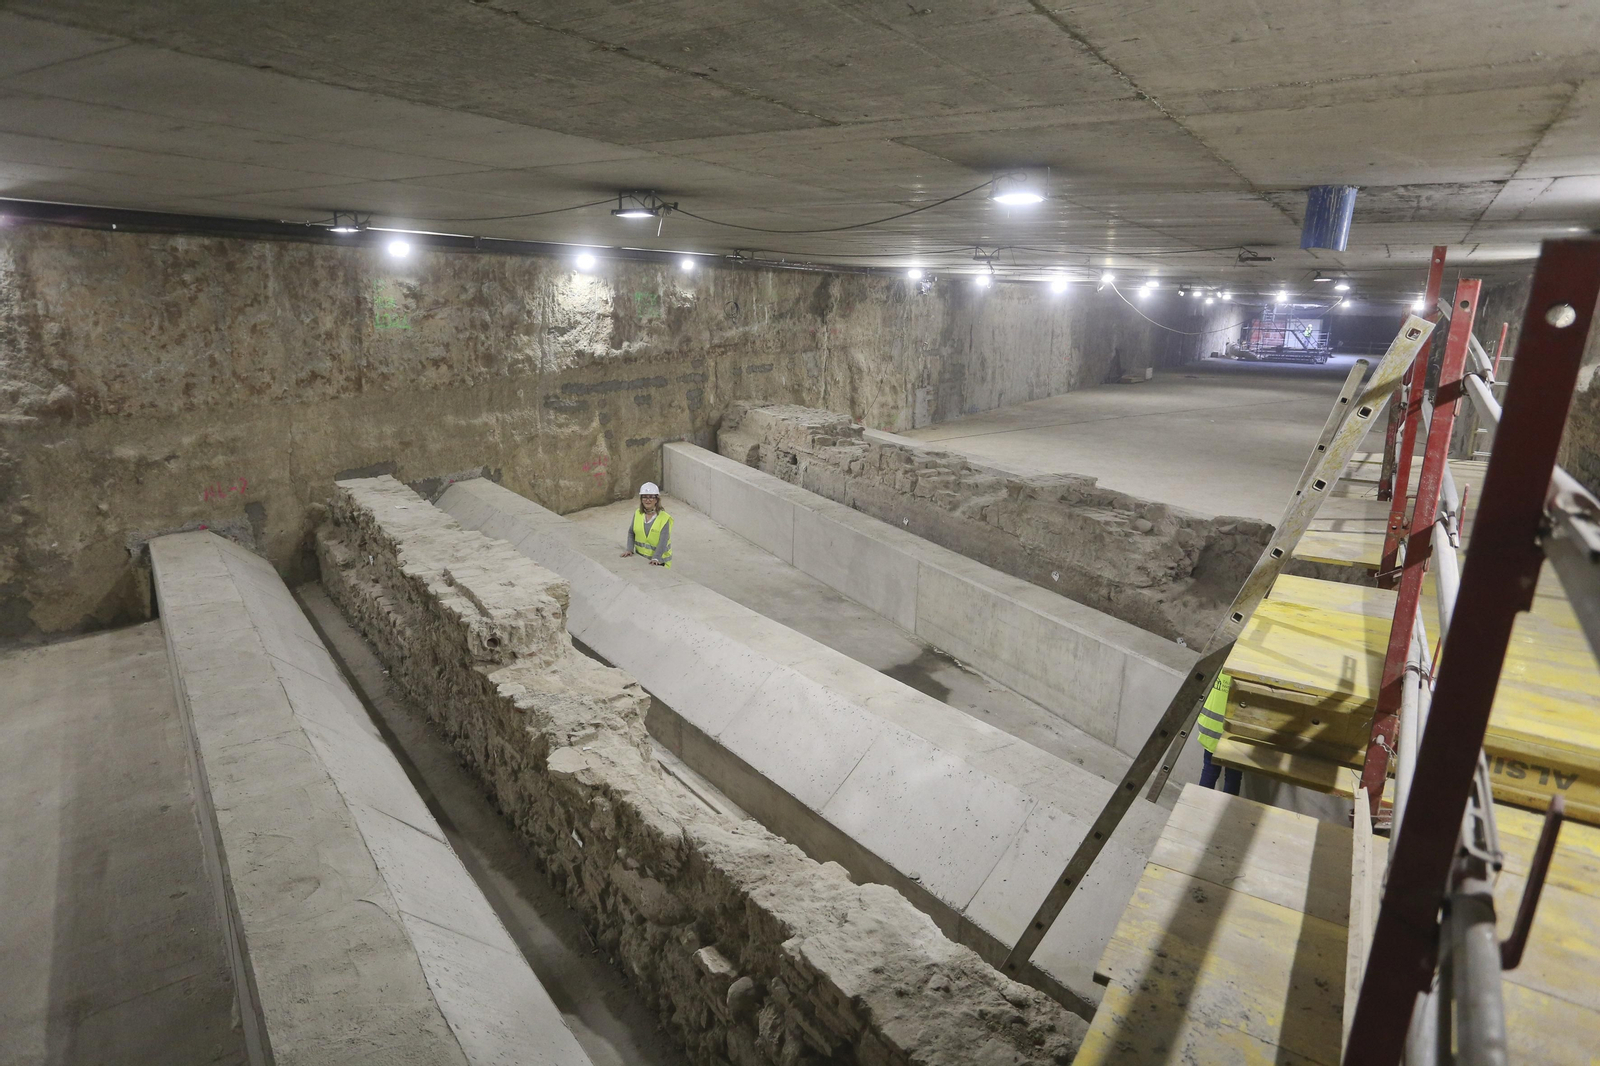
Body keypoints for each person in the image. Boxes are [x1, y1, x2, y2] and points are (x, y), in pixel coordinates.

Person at [1196, 671, 1241, 794]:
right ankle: (1227, 811)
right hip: (1234, 733)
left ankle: (1198, 806)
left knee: (1209, 770)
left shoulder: (1220, 666)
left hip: (1210, 729)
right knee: (1233, 776)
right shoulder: (1244, 672)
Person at [620, 482, 673, 567]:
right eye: (644, 497)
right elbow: (631, 532)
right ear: (641, 499)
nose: (647, 500)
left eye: (651, 497)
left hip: (659, 562)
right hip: (641, 560)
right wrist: (629, 549)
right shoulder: (638, 513)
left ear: (656, 500)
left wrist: (656, 558)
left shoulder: (664, 518)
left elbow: (663, 541)